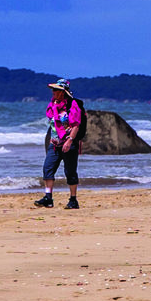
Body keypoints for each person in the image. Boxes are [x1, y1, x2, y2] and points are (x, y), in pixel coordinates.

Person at [37, 78, 84, 209]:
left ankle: (73, 199)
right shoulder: (53, 104)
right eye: (53, 90)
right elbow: (52, 123)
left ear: (63, 92)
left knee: (70, 172)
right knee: (48, 168)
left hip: (69, 143)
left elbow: (76, 125)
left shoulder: (73, 105)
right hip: (55, 143)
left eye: (56, 90)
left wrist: (69, 140)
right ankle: (48, 198)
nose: (53, 92)